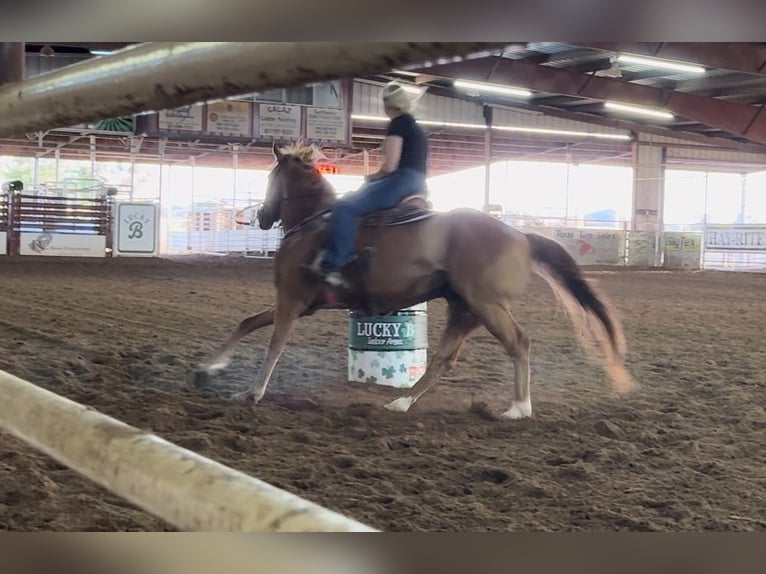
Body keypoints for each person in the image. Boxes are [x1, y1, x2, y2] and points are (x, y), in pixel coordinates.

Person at [313, 82, 429, 288]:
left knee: (345, 207)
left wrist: (371, 177)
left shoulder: (398, 124)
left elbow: (390, 166)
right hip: (418, 183)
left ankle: (335, 264)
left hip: (401, 181)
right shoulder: (416, 127)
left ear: (387, 104)